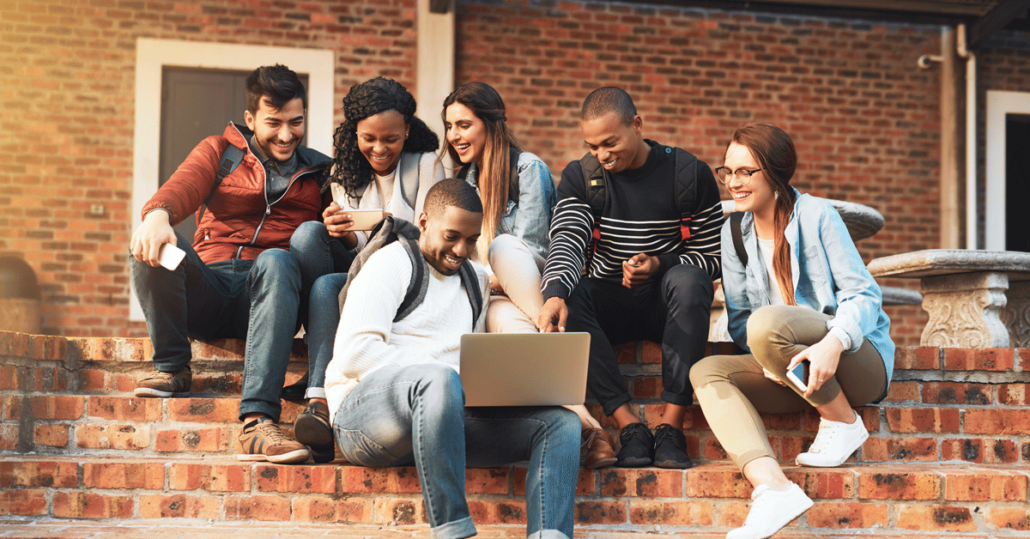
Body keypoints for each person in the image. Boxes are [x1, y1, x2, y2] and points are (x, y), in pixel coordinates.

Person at [325, 179, 580, 539]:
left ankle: (550, 535)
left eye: (471, 240)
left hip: (441, 420)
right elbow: (354, 355)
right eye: (452, 236)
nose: (461, 249)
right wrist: (444, 374)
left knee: (560, 423)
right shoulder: (391, 263)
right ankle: (453, 530)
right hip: (365, 420)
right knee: (439, 380)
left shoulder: (474, 280)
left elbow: (465, 363)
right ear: (425, 222)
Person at [689, 123, 894, 539]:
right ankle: (773, 487)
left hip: (856, 362)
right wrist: (767, 357)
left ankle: (842, 421)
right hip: (795, 372)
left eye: (746, 171)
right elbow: (742, 319)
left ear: (776, 173)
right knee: (706, 372)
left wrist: (833, 343)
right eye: (727, 171)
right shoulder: (734, 233)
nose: (733, 182)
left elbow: (864, 295)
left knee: (769, 323)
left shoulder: (818, 216)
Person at [129, 64, 332, 464]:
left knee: (278, 260)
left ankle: (257, 422)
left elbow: (329, 250)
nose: (287, 135)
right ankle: (172, 368)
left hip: (269, 297)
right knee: (149, 246)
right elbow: (185, 183)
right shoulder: (220, 152)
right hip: (208, 286)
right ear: (251, 118)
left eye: (296, 122)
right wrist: (158, 215)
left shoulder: (318, 173)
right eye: (274, 123)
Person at [538, 87, 724, 469]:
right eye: (592, 146)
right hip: (611, 303)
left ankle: (671, 427)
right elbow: (568, 238)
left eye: (610, 142)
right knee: (571, 296)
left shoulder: (689, 174)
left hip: (667, 304)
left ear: (636, 125)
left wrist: (660, 264)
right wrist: (554, 292)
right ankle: (628, 426)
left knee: (689, 280)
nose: (602, 155)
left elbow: (713, 257)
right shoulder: (582, 177)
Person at [443, 81, 616, 468]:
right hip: (500, 297)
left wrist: (488, 276)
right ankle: (590, 427)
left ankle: (554, 346)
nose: (454, 135)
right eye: (450, 126)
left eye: (464, 124)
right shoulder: (463, 185)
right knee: (501, 320)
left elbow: (533, 248)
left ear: (490, 124)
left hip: (530, 277)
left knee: (502, 247)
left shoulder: (527, 168)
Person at [288, 77, 443, 462]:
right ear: (354, 131)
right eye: (368, 138)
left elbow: (431, 236)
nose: (378, 148)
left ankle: (319, 392)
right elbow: (357, 249)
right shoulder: (345, 170)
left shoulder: (426, 165)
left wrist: (387, 229)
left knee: (328, 288)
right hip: (362, 265)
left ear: (407, 129)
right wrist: (342, 235)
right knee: (310, 236)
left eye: (390, 138)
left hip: (407, 276)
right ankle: (319, 390)